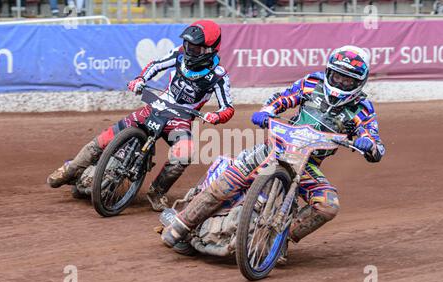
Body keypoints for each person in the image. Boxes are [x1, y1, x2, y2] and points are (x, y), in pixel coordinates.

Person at [160, 45, 385, 258]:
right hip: (275, 148)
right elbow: (283, 97)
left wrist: (369, 145)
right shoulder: (312, 82)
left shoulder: (362, 108)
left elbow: (373, 139)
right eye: (337, 76)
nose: (341, 81)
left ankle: (278, 241)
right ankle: (182, 224)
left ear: (359, 82)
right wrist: (267, 111)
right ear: (329, 72)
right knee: (232, 176)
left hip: (307, 165)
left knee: (328, 205)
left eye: (348, 79)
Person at [47, 20, 235, 212]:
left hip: (181, 118)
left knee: (185, 153)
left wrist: (216, 116)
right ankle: (71, 169)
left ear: (209, 50)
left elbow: (228, 108)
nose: (189, 50)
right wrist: (140, 79)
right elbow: (155, 65)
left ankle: (157, 192)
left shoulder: (218, 76)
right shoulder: (179, 54)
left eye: (195, 48)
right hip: (157, 105)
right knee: (107, 137)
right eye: (188, 45)